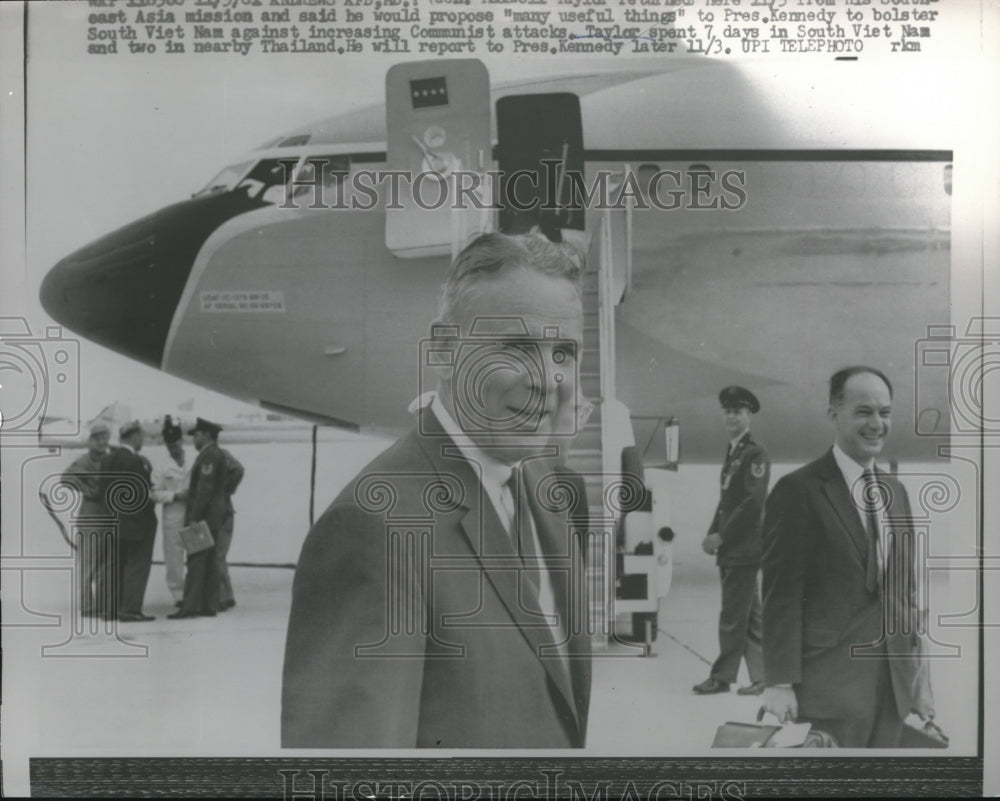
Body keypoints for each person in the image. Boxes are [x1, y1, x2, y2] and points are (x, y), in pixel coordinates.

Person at [282, 231, 593, 748]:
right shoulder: (374, 527)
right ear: (446, 350)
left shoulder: (546, 488)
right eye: (517, 347)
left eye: (563, 351)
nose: (548, 380)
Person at [761, 366, 941, 747]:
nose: (876, 424)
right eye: (864, 412)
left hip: (892, 693)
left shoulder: (898, 493)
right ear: (834, 415)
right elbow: (780, 596)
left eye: (885, 413)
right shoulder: (798, 491)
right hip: (828, 689)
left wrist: (919, 681)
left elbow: (904, 597)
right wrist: (778, 681)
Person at [693, 386, 769, 696]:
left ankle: (722, 678)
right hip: (734, 548)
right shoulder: (735, 452)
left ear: (749, 416)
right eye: (727, 411)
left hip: (743, 549)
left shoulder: (754, 453)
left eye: (738, 411)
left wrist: (722, 536)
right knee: (750, 617)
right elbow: (727, 501)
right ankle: (765, 677)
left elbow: (752, 502)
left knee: (732, 617)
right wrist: (713, 532)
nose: (731, 416)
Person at [168, 417, 229, 619]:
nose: (194, 440)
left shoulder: (209, 456)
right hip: (213, 516)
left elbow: (204, 489)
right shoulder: (215, 454)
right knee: (210, 562)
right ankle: (209, 605)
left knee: (196, 561)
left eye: (197, 435)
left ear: (207, 436)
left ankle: (191, 606)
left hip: (203, 517)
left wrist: (195, 517)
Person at [99, 420, 157, 622]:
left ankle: (111, 609)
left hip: (112, 520)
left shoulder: (107, 460)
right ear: (133, 438)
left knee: (115, 565)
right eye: (141, 437)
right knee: (137, 566)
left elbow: (102, 492)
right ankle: (130, 609)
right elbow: (142, 495)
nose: (142, 441)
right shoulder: (135, 461)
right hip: (137, 524)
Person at [61, 421, 111, 617]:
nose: (101, 442)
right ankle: (87, 605)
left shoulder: (109, 459)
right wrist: (85, 489)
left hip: (107, 514)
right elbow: (66, 478)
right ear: (91, 441)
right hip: (90, 514)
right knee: (89, 561)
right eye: (98, 439)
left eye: (104, 438)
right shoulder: (85, 460)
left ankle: (100, 603)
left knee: (104, 562)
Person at [151, 416, 191, 606]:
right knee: (173, 557)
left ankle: (196, 591)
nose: (173, 447)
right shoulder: (161, 467)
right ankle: (178, 594)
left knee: (198, 553)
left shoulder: (194, 460)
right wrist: (175, 496)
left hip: (193, 513)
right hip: (173, 514)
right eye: (169, 443)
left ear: (181, 440)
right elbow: (154, 493)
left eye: (175, 442)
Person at [215, 445, 244, 611]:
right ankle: (225, 595)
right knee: (219, 555)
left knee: (218, 555)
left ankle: (223, 597)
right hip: (222, 510)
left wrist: (225, 489)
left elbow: (238, 469)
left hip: (221, 512)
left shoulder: (219, 454)